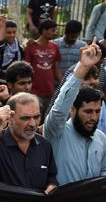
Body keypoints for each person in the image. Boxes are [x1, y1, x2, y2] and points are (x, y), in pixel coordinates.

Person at [0, 94, 58, 193]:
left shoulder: (45, 146)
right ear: (9, 118)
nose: (32, 124)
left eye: (36, 117)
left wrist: (51, 185)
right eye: (25, 118)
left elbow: (51, 177)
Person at [44, 42, 106, 185]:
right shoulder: (57, 132)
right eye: (88, 112)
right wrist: (83, 67)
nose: (93, 117)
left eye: (97, 112)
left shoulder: (101, 139)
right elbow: (60, 108)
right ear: (72, 109)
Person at [25, 20, 61, 118]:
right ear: (44, 31)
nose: (55, 33)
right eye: (52, 30)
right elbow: (26, 68)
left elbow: (55, 67)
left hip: (50, 91)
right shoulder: (31, 46)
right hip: (34, 91)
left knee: (48, 119)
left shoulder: (55, 47)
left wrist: (63, 83)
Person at [0, 17, 24, 89]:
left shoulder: (20, 48)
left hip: (12, 85)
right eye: (9, 33)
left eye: (14, 32)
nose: (12, 35)